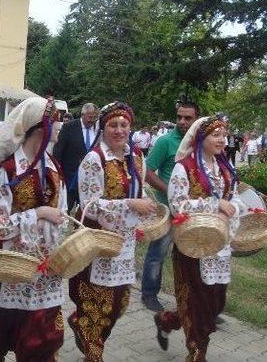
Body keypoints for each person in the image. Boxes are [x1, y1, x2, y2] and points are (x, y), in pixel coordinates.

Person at [67, 101, 156, 362]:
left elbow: (140, 192)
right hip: (98, 241)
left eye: (124, 125)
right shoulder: (95, 159)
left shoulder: (137, 157)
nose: (119, 130)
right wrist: (129, 204)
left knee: (118, 304)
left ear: (131, 127)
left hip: (125, 243)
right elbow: (90, 206)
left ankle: (80, 324)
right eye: (112, 125)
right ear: (103, 129)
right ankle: (93, 354)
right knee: (96, 305)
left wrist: (146, 206)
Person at [0, 97, 66, 361]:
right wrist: (38, 214)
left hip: (45, 268)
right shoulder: (9, 170)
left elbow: (60, 214)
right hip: (14, 269)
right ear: (40, 127)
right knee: (3, 331)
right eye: (56, 120)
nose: (61, 126)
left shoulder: (53, 167)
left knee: (44, 336)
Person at [153, 115, 244, 362]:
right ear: (201, 138)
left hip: (219, 246)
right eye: (216, 134)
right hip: (192, 246)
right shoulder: (185, 167)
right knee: (196, 302)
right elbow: (177, 204)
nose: (222, 139)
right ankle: (197, 353)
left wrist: (235, 207)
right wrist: (214, 205)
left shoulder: (225, 167)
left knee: (216, 302)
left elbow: (234, 197)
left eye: (224, 135)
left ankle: (168, 319)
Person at [140, 99, 200, 312]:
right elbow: (146, 172)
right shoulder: (165, 142)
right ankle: (149, 294)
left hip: (193, 213)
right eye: (179, 117)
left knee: (190, 257)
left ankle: (191, 301)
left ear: (196, 120)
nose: (182, 122)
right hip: (167, 210)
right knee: (158, 253)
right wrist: (172, 192)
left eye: (188, 118)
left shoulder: (200, 144)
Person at [53, 102, 99, 212]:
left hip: (88, 179)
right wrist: (58, 173)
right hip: (69, 177)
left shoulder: (97, 131)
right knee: (65, 209)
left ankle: (79, 228)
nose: (92, 120)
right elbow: (58, 150)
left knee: (85, 210)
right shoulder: (69, 127)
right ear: (82, 115)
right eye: (90, 117)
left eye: (94, 117)